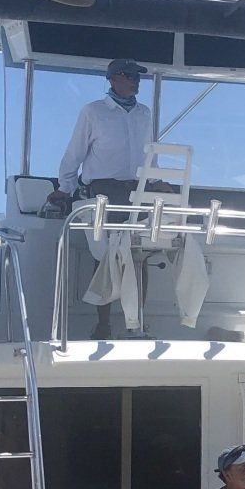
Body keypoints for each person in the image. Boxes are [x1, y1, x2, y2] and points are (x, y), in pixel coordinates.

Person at [58, 58, 154, 339]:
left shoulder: (144, 114)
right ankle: (104, 323)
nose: (136, 81)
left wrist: (155, 179)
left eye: (138, 76)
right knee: (103, 256)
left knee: (138, 255)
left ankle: (136, 324)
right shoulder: (93, 112)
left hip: (136, 190)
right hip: (103, 190)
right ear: (113, 78)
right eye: (130, 75)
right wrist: (65, 187)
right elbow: (74, 153)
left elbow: (149, 153)